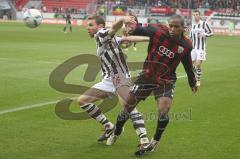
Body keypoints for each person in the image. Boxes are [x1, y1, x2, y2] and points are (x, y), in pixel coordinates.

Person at [107, 14, 198, 156]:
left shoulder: (186, 45)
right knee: (127, 108)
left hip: (166, 80)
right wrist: (131, 27)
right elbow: (142, 30)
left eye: (176, 27)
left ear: (183, 28)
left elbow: (187, 63)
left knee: (164, 109)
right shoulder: (158, 32)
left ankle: (154, 141)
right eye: (171, 26)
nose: (172, 29)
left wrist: (192, 81)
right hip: (147, 77)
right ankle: (117, 131)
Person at [77, 15, 150, 148]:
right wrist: (148, 39)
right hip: (108, 80)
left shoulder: (101, 33)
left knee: (128, 107)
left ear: (99, 26)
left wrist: (122, 20)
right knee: (83, 100)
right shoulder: (103, 38)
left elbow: (112, 30)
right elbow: (127, 39)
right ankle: (109, 126)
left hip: (120, 77)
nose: (88, 28)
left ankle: (144, 140)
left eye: (91, 25)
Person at [190, 10, 213, 86]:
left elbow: (211, 33)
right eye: (194, 15)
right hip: (193, 48)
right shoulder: (192, 25)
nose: (195, 16)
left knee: (198, 64)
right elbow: (190, 37)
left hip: (201, 48)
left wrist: (204, 34)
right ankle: (195, 78)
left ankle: (198, 80)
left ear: (199, 15)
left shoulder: (204, 24)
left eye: (197, 14)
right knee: (191, 65)